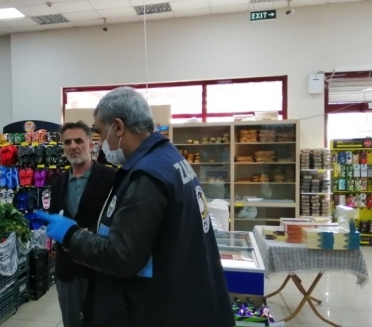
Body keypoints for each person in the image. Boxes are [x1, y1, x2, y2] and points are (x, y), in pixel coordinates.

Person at [37, 87, 233, 327]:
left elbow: (121, 256)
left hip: (166, 306)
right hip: (188, 298)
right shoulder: (169, 158)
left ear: (118, 127)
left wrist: (71, 234)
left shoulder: (147, 175)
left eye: (100, 132)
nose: (101, 141)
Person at [49, 121, 116, 327]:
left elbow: (119, 219)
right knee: (71, 322)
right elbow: (54, 217)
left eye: (79, 141)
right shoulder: (57, 183)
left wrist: (87, 235)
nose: (73, 146)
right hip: (67, 269)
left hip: (100, 268)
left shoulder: (111, 178)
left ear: (90, 145)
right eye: (67, 142)